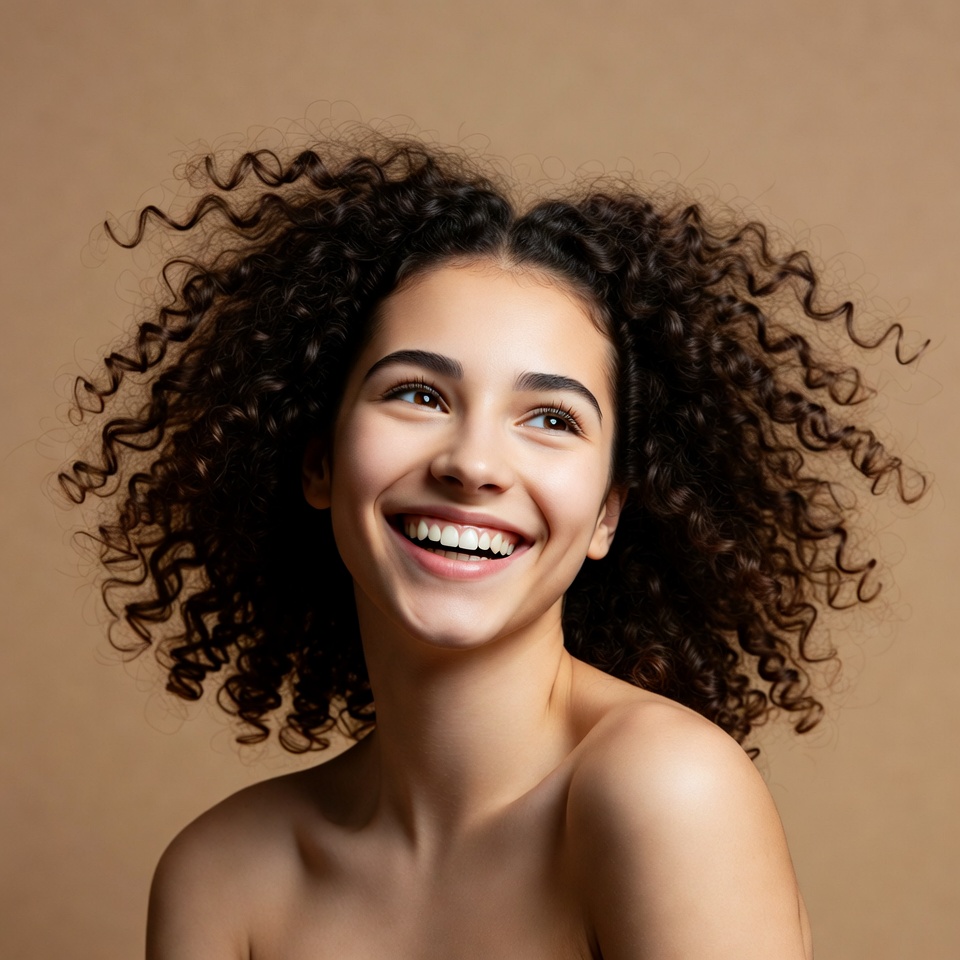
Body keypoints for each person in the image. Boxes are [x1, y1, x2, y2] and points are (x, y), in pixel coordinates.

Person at [61, 130, 922, 959]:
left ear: (607, 517)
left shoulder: (664, 793)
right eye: (418, 395)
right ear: (319, 463)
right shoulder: (221, 877)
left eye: (550, 418)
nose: (473, 464)